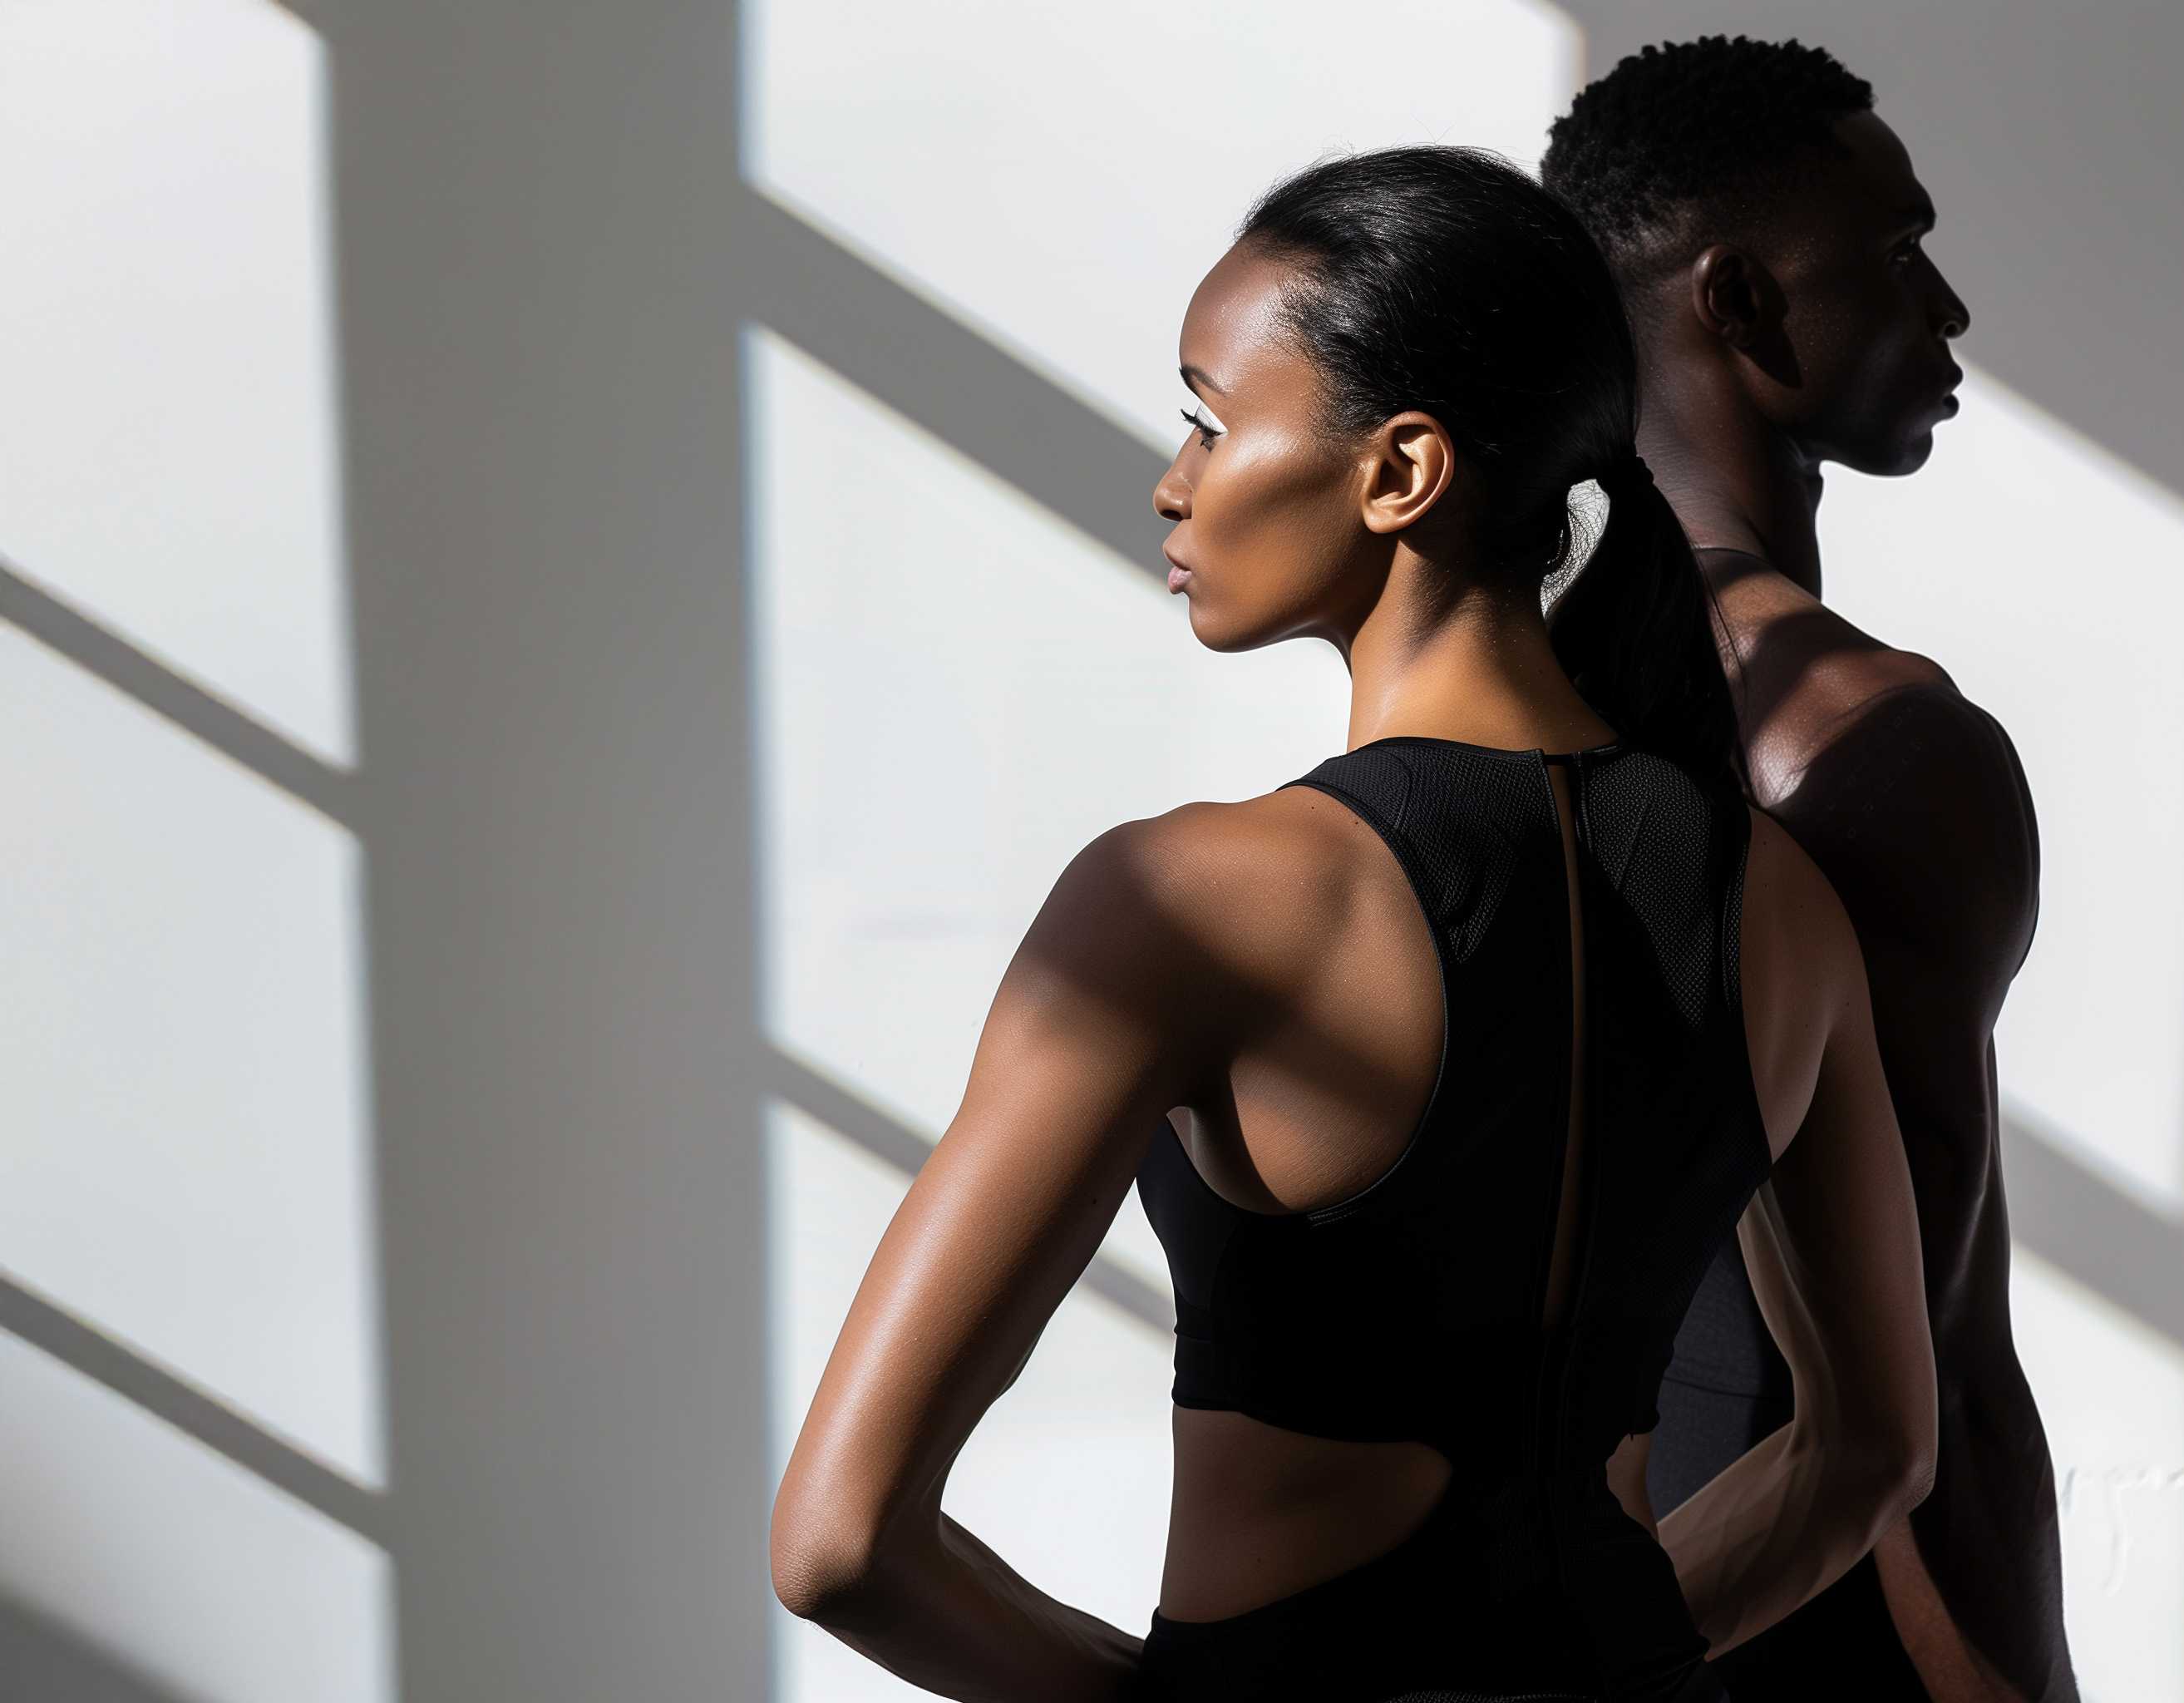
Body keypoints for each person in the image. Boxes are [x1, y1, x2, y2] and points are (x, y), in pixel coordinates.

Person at [767, 145, 1940, 1702]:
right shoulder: (1778, 902)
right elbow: (1871, 1452)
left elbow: (841, 1545)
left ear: (1400, 473)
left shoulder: (1190, 902)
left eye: (1207, 419)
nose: (1172, 479)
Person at [1543, 37, 2077, 1703]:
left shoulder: (1487, 703)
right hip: (1797, 1618)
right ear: (1738, 301)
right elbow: (1936, 1372)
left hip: (1533, 1594)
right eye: (1897, 252)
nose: (1947, 309)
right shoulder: (1873, 749)